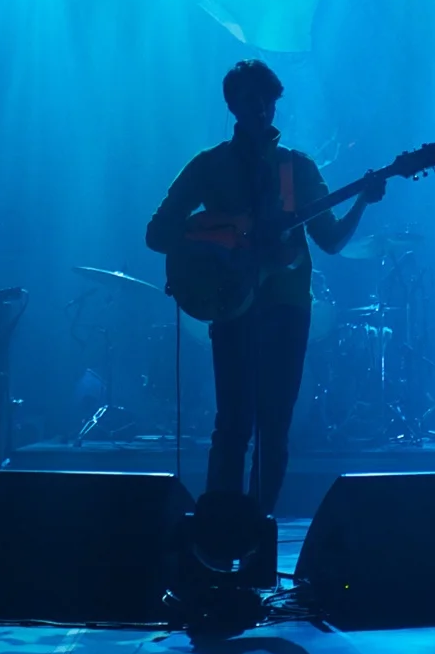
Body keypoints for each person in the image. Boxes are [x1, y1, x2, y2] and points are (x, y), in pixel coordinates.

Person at [145, 60, 382, 524]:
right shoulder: (209, 165)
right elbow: (158, 234)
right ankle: (216, 534)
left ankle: (256, 533)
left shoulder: (298, 168)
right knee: (233, 423)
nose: (261, 107)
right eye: (250, 99)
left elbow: (330, 241)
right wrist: (221, 241)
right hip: (232, 302)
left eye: (267, 99)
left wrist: (362, 200)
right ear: (232, 105)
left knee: (275, 427)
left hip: (288, 307)